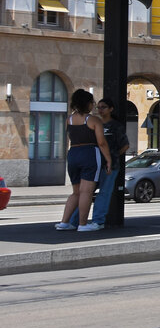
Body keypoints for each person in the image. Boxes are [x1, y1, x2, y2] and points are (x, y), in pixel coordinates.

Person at [55, 89, 111, 233]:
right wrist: (109, 160)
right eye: (92, 102)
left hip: (73, 153)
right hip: (90, 153)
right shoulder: (93, 120)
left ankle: (64, 222)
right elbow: (102, 143)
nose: (93, 105)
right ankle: (82, 223)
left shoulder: (69, 119)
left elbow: (69, 138)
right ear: (87, 104)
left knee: (76, 192)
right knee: (86, 192)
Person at [75, 97, 129, 229]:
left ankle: (98, 221)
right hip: (93, 163)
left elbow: (125, 145)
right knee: (85, 192)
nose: (100, 110)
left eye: (103, 107)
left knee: (104, 192)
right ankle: (75, 220)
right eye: (98, 107)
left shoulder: (115, 126)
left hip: (110, 164)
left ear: (111, 109)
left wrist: (113, 155)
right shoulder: (94, 122)